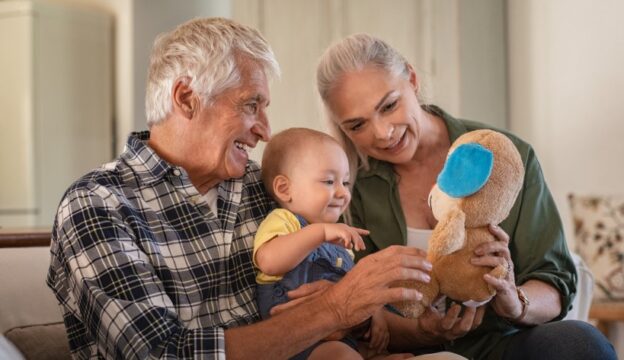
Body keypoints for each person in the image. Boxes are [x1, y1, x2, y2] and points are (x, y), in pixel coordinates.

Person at [46, 19, 434, 359]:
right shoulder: (98, 205)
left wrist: (358, 324)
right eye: (251, 106)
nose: (265, 131)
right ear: (186, 98)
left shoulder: (267, 185)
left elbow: (332, 298)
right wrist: (332, 310)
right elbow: (160, 355)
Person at [314, 33, 618, 360]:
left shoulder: (504, 157)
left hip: (502, 344)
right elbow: (359, 308)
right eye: (357, 125)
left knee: (583, 344)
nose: (382, 133)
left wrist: (515, 301)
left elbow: (555, 282)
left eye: (389, 106)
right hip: (414, 353)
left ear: (412, 79)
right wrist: (421, 331)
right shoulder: (348, 188)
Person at [255, 128, 412, 360]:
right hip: (297, 342)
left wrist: (374, 312)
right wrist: (320, 232)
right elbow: (269, 262)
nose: (342, 192)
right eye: (329, 181)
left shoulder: (338, 242)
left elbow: (353, 290)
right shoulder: (284, 221)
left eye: (346, 182)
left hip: (340, 336)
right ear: (284, 189)